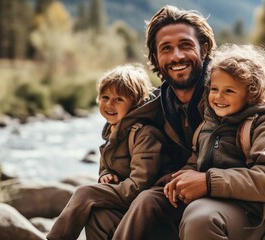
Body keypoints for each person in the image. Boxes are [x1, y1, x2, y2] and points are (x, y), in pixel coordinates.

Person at [85, 5, 216, 240]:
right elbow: (124, 156)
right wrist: (108, 174)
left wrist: (204, 179)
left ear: (204, 49)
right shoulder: (151, 108)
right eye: (166, 48)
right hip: (171, 203)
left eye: (185, 45)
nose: (176, 56)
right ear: (155, 58)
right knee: (100, 214)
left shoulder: (227, 97)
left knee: (195, 218)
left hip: (222, 205)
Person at [164, 44, 265, 239]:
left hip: (263, 218)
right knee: (155, 204)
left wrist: (209, 182)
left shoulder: (264, 127)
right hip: (223, 207)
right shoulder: (208, 126)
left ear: (251, 93)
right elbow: (198, 159)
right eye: (214, 89)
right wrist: (185, 176)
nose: (218, 97)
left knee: (201, 219)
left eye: (229, 91)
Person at [46, 64, 169, 240]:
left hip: (143, 202)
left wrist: (99, 192)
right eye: (105, 97)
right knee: (97, 216)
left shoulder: (144, 134)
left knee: (85, 193)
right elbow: (107, 167)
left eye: (119, 99)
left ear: (135, 103)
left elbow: (140, 185)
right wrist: (107, 174)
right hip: (124, 197)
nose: (109, 104)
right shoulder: (113, 132)